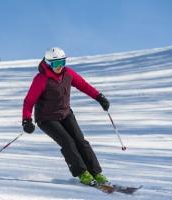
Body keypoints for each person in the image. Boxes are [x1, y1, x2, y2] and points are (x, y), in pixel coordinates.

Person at [22, 47, 110, 186]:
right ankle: (82, 174)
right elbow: (29, 101)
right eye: (56, 64)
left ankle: (96, 173)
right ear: (48, 63)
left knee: (81, 142)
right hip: (47, 118)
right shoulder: (41, 79)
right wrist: (26, 120)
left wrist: (99, 97)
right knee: (68, 143)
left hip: (65, 113)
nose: (60, 67)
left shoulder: (68, 73)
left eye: (62, 62)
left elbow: (84, 86)